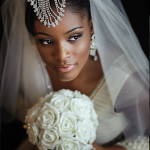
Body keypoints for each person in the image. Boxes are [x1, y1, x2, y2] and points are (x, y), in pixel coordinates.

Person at [1, 0, 149, 150]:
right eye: (46, 41)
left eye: (74, 37)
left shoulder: (124, 77)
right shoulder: (25, 61)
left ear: (91, 27)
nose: (62, 55)